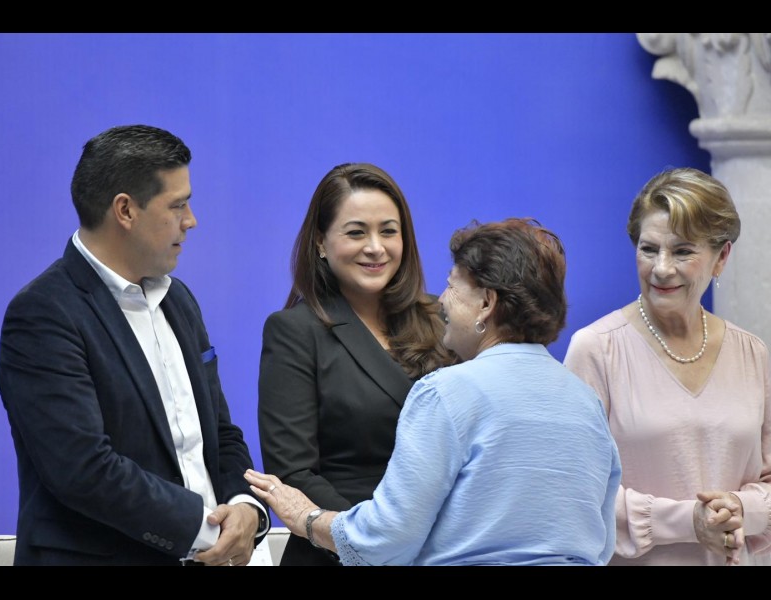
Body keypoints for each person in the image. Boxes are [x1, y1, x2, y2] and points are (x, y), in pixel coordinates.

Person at [249, 217, 622, 566]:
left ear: (486, 303)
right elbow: (602, 541)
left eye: (452, 286)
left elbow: (385, 539)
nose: (441, 300)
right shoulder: (586, 402)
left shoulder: (445, 392)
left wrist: (308, 518)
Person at [0, 124, 268, 566]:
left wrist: (246, 506)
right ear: (125, 210)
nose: (191, 220)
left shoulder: (178, 299)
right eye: (177, 205)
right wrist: (208, 532)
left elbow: (219, 434)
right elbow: (83, 470)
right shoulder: (42, 314)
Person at [564, 167, 771, 566]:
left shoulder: (752, 353)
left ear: (721, 257)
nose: (661, 268)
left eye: (682, 251)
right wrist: (688, 521)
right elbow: (574, 490)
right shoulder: (596, 349)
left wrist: (742, 509)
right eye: (649, 249)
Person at [257, 162, 457, 566]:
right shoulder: (294, 330)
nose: (376, 247)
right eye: (356, 232)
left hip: (441, 550)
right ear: (320, 242)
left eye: (389, 231)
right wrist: (375, 540)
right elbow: (294, 472)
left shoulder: (441, 317)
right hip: (341, 550)